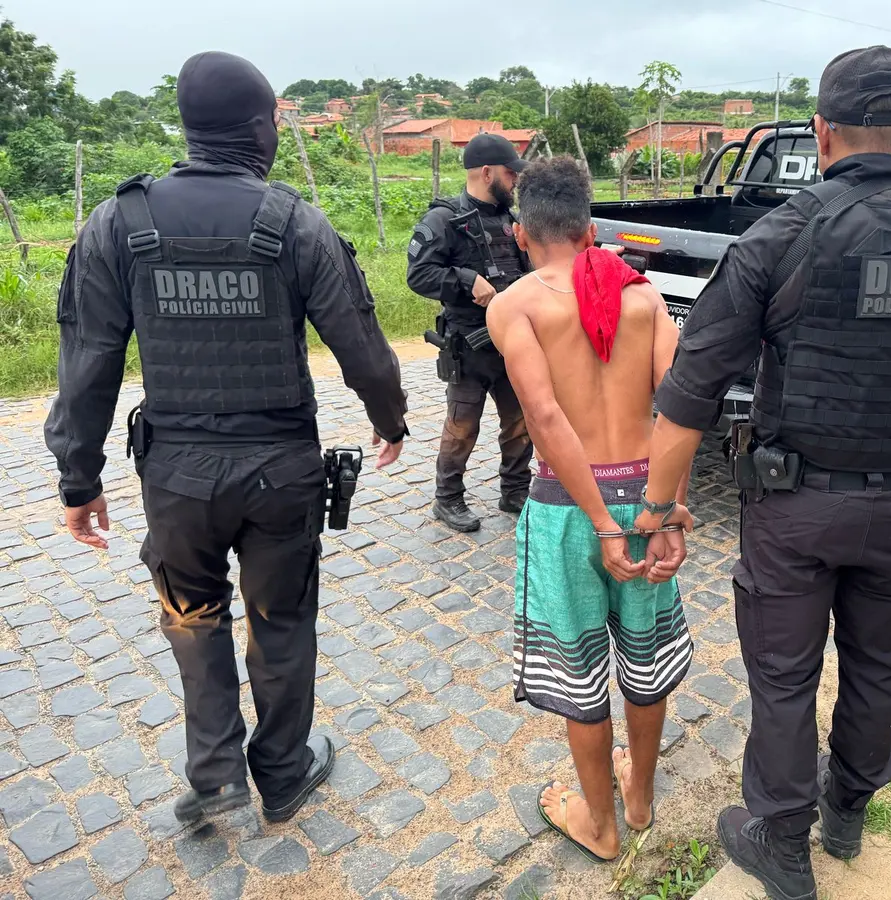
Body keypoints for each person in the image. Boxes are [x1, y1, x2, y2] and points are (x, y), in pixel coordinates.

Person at [635, 46, 891, 900]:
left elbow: (689, 393)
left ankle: (781, 842)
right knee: (877, 663)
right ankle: (849, 810)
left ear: (820, 133)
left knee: (784, 677)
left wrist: (658, 510)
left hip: (794, 507)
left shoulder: (781, 234)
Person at [44, 51, 409, 827]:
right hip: (281, 475)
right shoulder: (296, 222)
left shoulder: (119, 224)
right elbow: (364, 350)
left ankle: (214, 777)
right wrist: (390, 421)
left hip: (177, 480)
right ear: (259, 126)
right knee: (283, 622)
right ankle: (282, 772)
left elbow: (87, 365)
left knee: (192, 619)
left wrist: (79, 480)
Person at [487, 157, 694, 863]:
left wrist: (602, 523)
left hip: (566, 509)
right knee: (644, 661)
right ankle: (639, 800)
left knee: (579, 673)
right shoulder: (645, 298)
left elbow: (544, 417)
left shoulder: (515, 305)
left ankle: (600, 824)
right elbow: (680, 405)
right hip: (645, 503)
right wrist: (668, 510)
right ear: (590, 231)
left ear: (521, 234)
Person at [407, 133, 534, 533]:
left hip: (513, 342)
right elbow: (418, 275)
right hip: (469, 346)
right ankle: (447, 499)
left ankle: (515, 491)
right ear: (487, 172)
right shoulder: (443, 220)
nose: (515, 181)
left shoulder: (512, 220)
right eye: (510, 173)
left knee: (520, 421)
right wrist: (465, 279)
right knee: (462, 427)